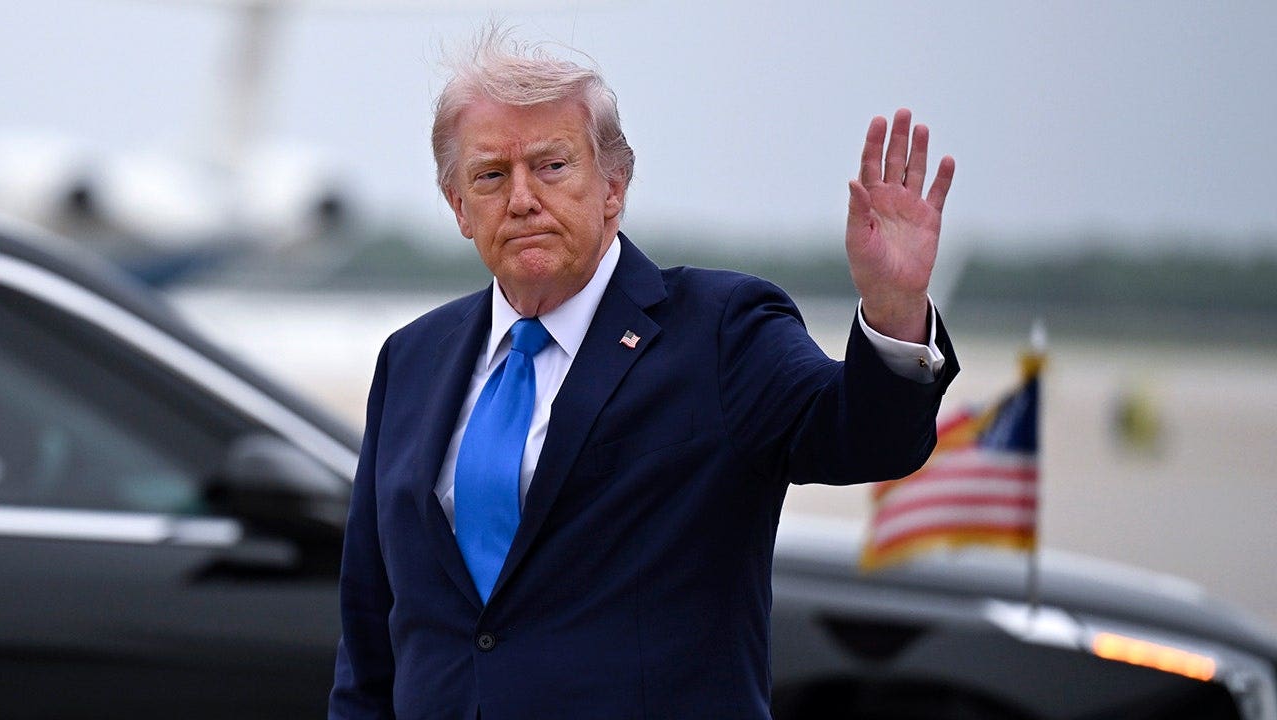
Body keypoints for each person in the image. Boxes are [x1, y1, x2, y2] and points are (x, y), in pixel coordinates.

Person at [330, 30, 958, 720]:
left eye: (551, 166)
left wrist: (894, 307)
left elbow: (867, 438)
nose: (521, 199)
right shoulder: (412, 360)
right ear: (457, 206)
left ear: (613, 188)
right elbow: (370, 638)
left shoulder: (721, 331)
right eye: (490, 176)